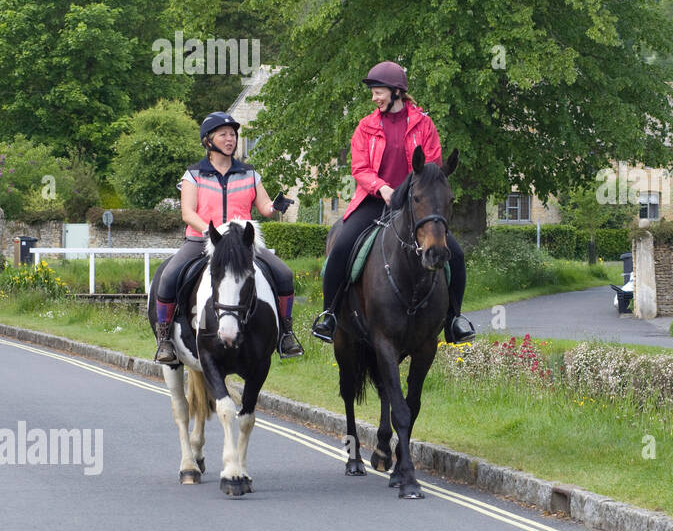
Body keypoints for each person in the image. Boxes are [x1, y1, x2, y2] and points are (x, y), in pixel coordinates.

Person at [311, 61, 474, 344]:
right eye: (373, 93)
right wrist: (382, 188)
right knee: (341, 248)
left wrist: (415, 192)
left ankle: (454, 319)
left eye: (378, 92)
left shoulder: (425, 124)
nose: (374, 98)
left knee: (456, 255)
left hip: (416, 204)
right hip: (376, 200)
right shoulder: (366, 126)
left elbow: (432, 168)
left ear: (397, 91)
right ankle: (330, 315)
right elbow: (360, 168)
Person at [152, 112, 305, 364]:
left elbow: (264, 207)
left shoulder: (250, 174)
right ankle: (165, 338)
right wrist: (213, 233)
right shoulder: (193, 175)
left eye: (233, 134)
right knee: (168, 277)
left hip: (242, 245)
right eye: (223, 134)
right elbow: (187, 213)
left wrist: (276, 206)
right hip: (201, 241)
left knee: (285, 274)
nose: (230, 139)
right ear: (208, 141)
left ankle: (286, 334)